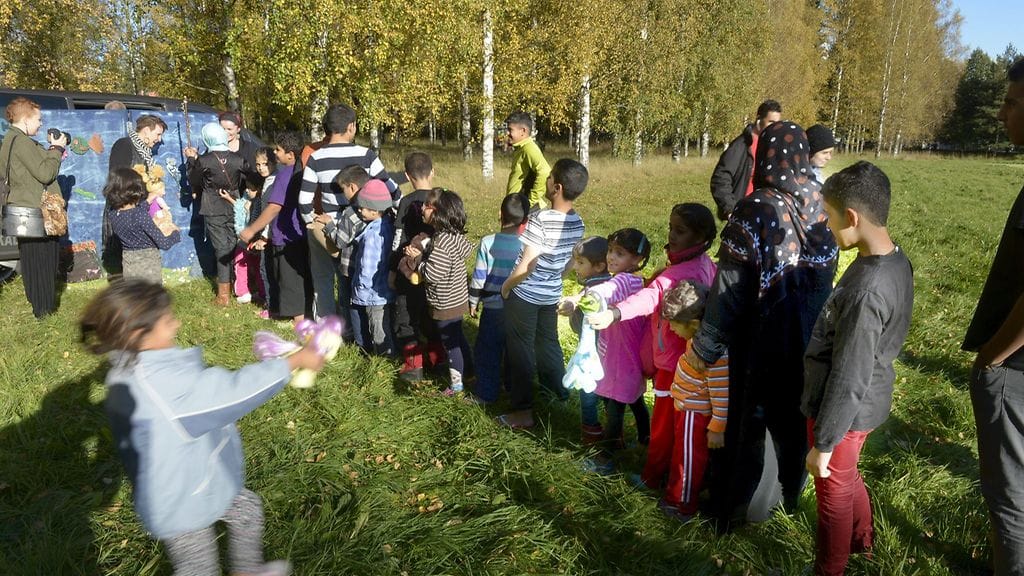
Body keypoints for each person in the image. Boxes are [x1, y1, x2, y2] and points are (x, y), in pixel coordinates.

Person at [79, 280, 326, 576]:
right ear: (137, 335)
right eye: (168, 321)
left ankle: (246, 571)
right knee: (198, 568)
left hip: (197, 476)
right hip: (180, 502)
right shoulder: (162, 385)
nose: (177, 324)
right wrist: (293, 361)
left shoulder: (128, 370)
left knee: (246, 510)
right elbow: (232, 392)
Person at [688, 121, 838, 533]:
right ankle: (788, 497)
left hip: (760, 337)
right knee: (794, 419)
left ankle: (737, 509)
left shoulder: (755, 208)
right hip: (810, 336)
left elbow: (730, 288)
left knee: (749, 421)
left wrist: (704, 348)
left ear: (765, 158)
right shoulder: (822, 202)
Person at [802, 161, 914, 575]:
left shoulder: (867, 291)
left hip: (843, 414)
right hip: (869, 401)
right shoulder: (892, 260)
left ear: (852, 217)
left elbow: (849, 375)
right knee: (846, 478)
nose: (825, 223)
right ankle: (862, 543)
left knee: (832, 493)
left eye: (828, 215)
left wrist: (824, 442)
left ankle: (829, 569)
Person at [587, 203, 718, 490]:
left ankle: (654, 478)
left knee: (664, 425)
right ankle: (667, 474)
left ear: (700, 237)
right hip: (684, 360)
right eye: (671, 227)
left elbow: (649, 297)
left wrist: (615, 313)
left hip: (674, 365)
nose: (671, 235)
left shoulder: (681, 273)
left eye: (680, 231)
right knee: (673, 424)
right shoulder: (702, 263)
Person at [963, 56, 1024, 576]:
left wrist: (992, 357)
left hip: (1017, 369)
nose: (1001, 113)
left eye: (1011, 102)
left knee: (1010, 495)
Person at [499, 158, 588, 429]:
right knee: (548, 343)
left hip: (525, 295)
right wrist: (555, 278)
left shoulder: (540, 219)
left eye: (549, 178)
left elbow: (528, 264)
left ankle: (522, 411)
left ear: (557, 187)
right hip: (550, 294)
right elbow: (571, 261)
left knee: (521, 349)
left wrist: (506, 287)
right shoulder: (578, 222)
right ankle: (557, 395)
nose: (546, 181)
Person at [299, 104, 399, 321]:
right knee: (355, 277)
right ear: (351, 127)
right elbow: (392, 190)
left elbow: (304, 201)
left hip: (327, 226)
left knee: (323, 278)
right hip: (363, 227)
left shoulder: (316, 157)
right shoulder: (366, 155)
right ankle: (357, 324)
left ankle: (327, 323)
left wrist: (314, 223)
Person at [563, 228, 651, 473]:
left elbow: (604, 291)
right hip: (630, 355)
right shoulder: (636, 281)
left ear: (637, 259)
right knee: (635, 400)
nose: (611, 257)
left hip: (619, 358)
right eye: (611, 250)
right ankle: (645, 439)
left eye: (620, 253)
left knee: (615, 410)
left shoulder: (622, 281)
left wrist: (578, 299)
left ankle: (605, 458)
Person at [659, 281, 729, 522]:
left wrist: (717, 428)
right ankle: (676, 495)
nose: (671, 329)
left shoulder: (715, 355)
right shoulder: (698, 341)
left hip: (695, 415)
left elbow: (721, 393)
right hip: (686, 410)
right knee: (682, 453)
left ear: (695, 324)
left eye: (674, 324)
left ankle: (682, 505)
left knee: (688, 459)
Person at [0, 97, 68, 318]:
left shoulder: (10, 140)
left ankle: (40, 309)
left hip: (24, 210)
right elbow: (45, 174)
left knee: (32, 261)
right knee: (43, 261)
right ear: (26, 119)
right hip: (35, 212)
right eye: (38, 119)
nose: (41, 123)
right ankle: (44, 311)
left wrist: (51, 152)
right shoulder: (21, 142)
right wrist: (56, 149)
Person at [402, 188, 473, 395]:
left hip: (445, 302)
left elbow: (433, 274)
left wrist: (416, 259)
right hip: (458, 299)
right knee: (458, 338)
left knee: (451, 345)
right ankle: (470, 372)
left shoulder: (441, 241)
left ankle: (456, 386)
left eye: (426, 206)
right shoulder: (454, 236)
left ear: (437, 212)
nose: (422, 209)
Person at [241, 132, 311, 324]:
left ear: (290, 154)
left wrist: (251, 230)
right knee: (301, 277)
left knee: (290, 280)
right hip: (300, 233)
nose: (275, 152)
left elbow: (274, 207)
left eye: (278, 150)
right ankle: (306, 316)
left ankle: (299, 323)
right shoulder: (302, 170)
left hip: (286, 235)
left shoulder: (284, 175)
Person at [468, 193, 530, 404]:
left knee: (487, 350)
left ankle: (486, 393)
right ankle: (510, 386)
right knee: (514, 350)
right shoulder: (526, 246)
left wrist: (473, 301)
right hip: (519, 308)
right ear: (525, 221)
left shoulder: (487, 242)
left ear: (500, 214)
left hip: (493, 308)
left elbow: (479, 276)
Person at [186, 123, 250, 306]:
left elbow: (193, 179)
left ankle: (223, 295)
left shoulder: (204, 160)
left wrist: (191, 159)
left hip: (213, 207)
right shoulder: (238, 158)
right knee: (234, 245)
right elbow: (248, 178)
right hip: (234, 204)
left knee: (222, 248)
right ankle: (239, 285)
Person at [393, 152, 442, 381]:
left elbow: (397, 239)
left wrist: (392, 269)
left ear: (407, 176)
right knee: (432, 315)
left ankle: (413, 366)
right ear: (432, 172)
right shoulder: (443, 199)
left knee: (407, 317)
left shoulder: (406, 202)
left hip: (409, 270)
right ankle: (437, 360)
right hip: (435, 270)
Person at [104, 114, 168, 274]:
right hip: (124, 210)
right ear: (146, 130)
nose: (159, 139)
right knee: (123, 259)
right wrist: (148, 192)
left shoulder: (144, 152)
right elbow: (119, 179)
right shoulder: (124, 145)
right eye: (158, 134)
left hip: (138, 209)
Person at [313, 165, 370, 343]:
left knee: (349, 301)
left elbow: (340, 241)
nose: (342, 194)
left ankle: (352, 336)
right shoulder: (375, 208)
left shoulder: (351, 212)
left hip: (349, 266)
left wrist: (329, 224)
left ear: (352, 187)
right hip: (367, 265)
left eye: (343, 189)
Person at [565, 236, 611, 444]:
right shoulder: (610, 283)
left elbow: (581, 324)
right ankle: (614, 431)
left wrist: (574, 310)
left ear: (599, 266)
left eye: (580, 262)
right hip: (608, 349)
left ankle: (591, 432)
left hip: (592, 350)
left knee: (588, 389)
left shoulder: (594, 291)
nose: (575, 266)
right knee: (609, 390)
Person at [709, 99, 782, 221]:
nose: (774, 127)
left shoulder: (772, 146)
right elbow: (720, 178)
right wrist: (731, 209)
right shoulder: (741, 145)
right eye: (771, 122)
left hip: (764, 214)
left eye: (777, 123)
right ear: (759, 119)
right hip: (743, 213)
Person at [106, 168, 181, 284]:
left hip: (128, 263)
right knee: (151, 295)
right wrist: (175, 233)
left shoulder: (113, 213)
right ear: (135, 190)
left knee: (134, 294)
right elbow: (164, 243)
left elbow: (132, 214)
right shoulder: (140, 215)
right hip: (148, 266)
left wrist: (147, 202)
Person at [348, 180, 396, 356]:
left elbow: (367, 266)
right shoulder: (389, 226)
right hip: (386, 290)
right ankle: (390, 354)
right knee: (386, 324)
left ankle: (384, 359)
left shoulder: (371, 235)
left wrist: (361, 286)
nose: (360, 211)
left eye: (363, 208)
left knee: (378, 329)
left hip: (372, 292)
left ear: (375, 211)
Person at [505, 112, 551, 211]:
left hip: (531, 210)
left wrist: (530, 202)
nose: (507, 133)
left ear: (523, 131)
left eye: (510, 130)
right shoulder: (521, 148)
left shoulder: (529, 148)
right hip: (517, 207)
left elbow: (545, 172)